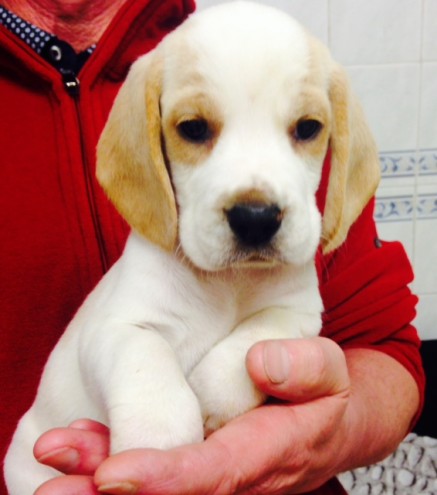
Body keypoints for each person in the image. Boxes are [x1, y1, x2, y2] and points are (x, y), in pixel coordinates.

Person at [0, 1, 425, 494]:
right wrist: (163, 428)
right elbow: (118, 335)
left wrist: (255, 396)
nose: (257, 204)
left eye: (306, 129)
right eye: (195, 128)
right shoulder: (164, 75)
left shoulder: (230, 58)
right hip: (42, 472)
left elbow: (342, 330)